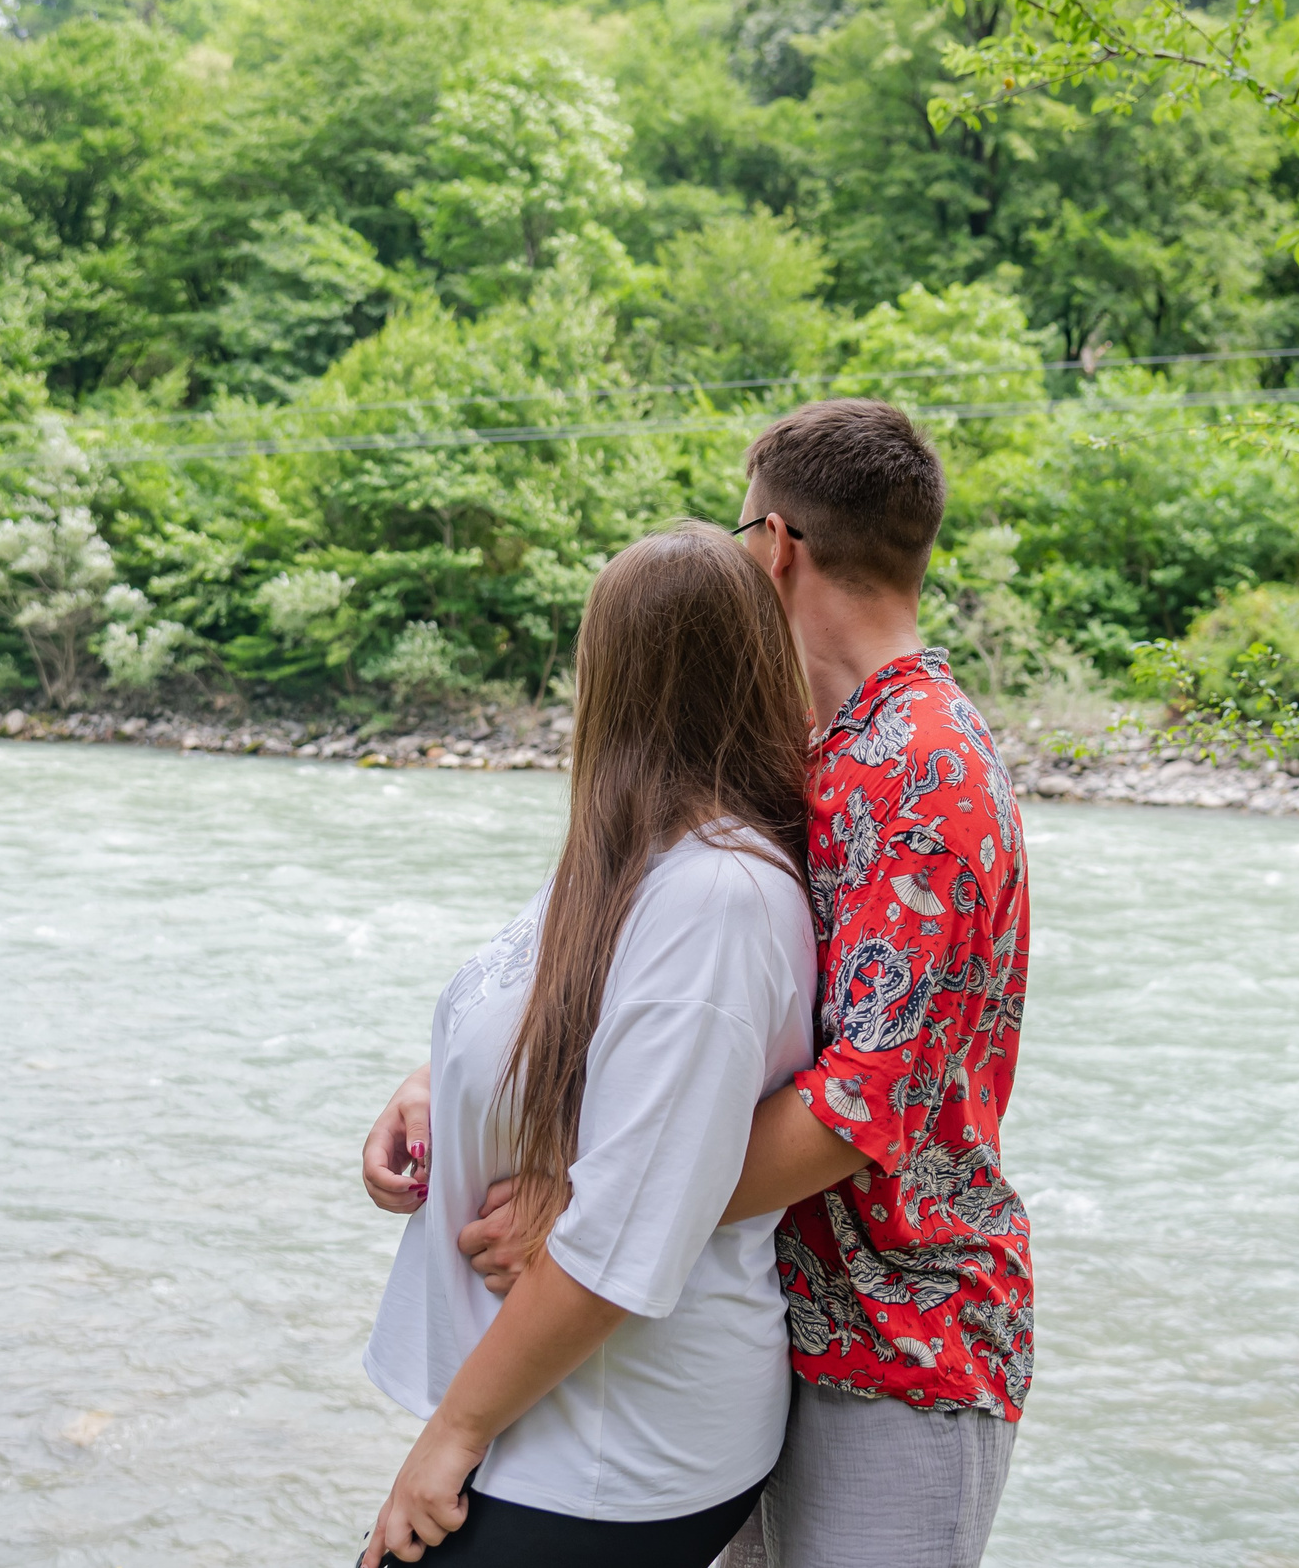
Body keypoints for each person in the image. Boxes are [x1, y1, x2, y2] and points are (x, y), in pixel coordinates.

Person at [364, 399, 1035, 1568]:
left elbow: (851, 1110)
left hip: (895, 1333)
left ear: (775, 545)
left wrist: (584, 1205)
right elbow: (643, 983)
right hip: (768, 1311)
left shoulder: (921, 767)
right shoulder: (823, 744)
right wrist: (460, 1075)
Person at [358, 521, 821, 1567]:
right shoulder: (631, 847)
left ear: (606, 676)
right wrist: (437, 1084)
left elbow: (622, 1229)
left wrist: (450, 1435)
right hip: (550, 1412)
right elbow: (552, 1017)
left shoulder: (717, 900)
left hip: (619, 1439)